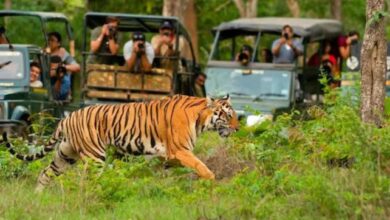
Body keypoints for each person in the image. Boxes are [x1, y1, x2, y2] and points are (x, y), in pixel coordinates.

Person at [47, 31, 80, 100]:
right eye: (48, 40)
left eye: (52, 40)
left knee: (65, 76)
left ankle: (62, 96)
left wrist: (62, 67)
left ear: (58, 43)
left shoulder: (63, 53)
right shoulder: (44, 53)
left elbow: (77, 67)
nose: (49, 42)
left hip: (59, 83)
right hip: (46, 81)